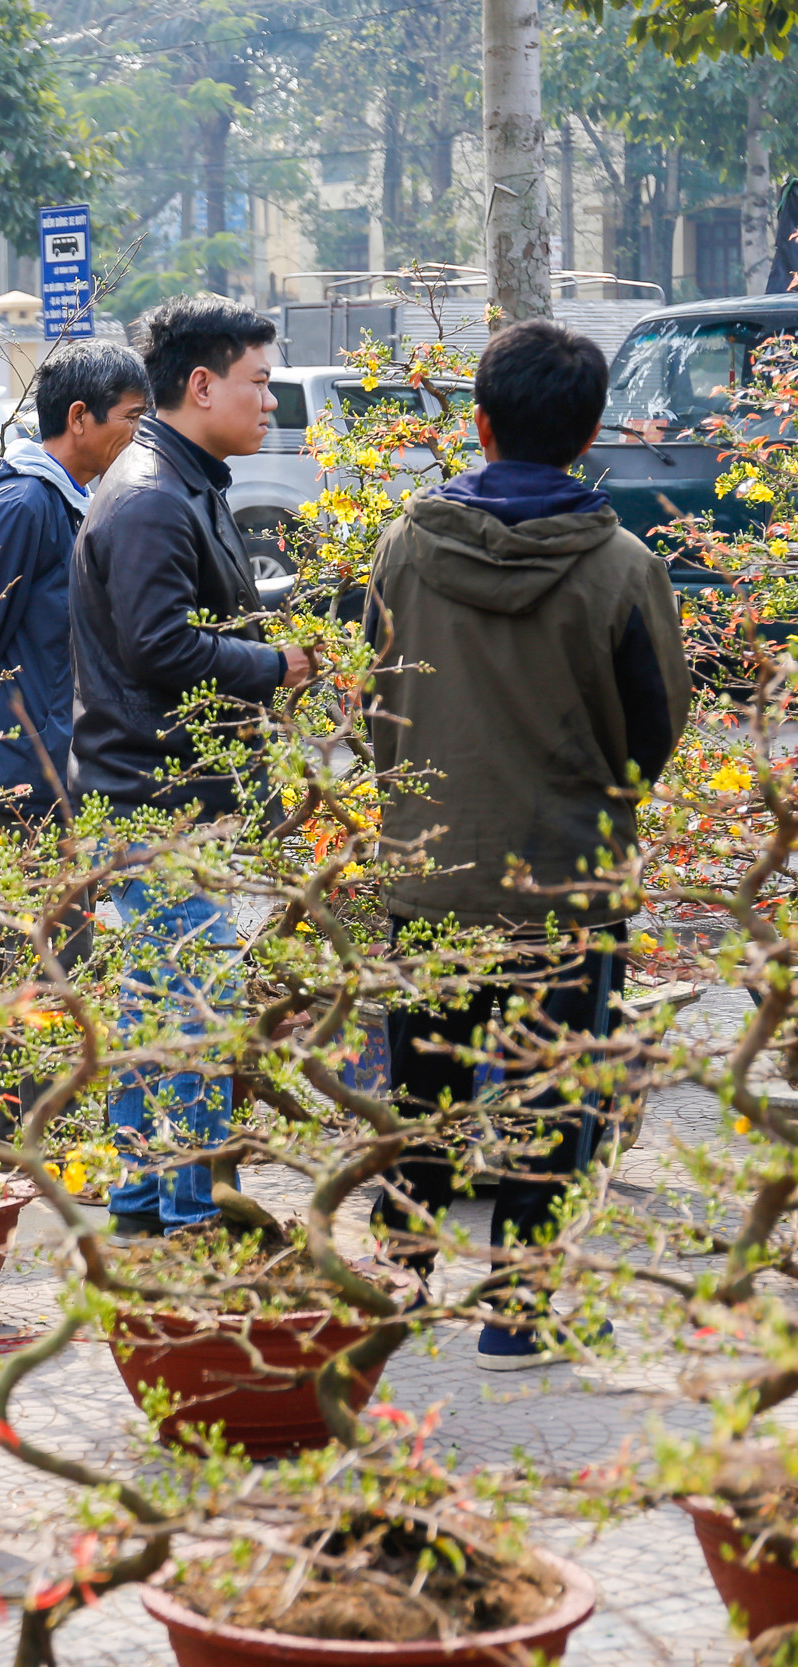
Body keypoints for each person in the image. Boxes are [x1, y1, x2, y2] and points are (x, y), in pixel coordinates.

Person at [363, 317, 689, 1369]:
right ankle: (519, 1310)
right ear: (591, 432)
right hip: (564, 876)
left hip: (429, 868)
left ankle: (396, 1283)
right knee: (556, 1097)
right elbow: (654, 727)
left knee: (421, 1087)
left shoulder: (402, 547)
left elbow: (373, 697)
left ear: (478, 421)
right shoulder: (620, 567)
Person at [71, 296, 312, 1241]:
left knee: (150, 1009)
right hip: (157, 796)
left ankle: (144, 1199)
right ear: (201, 383)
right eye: (259, 383)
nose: (270, 405)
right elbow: (160, 644)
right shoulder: (152, 494)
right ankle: (191, 1209)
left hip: (161, 790)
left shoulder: (180, 479)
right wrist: (275, 666)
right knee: (193, 1014)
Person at [0, 341, 150, 822]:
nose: (139, 432)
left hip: (57, 764)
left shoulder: (71, 500)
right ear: (80, 416)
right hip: (20, 772)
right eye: (131, 417)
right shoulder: (23, 504)